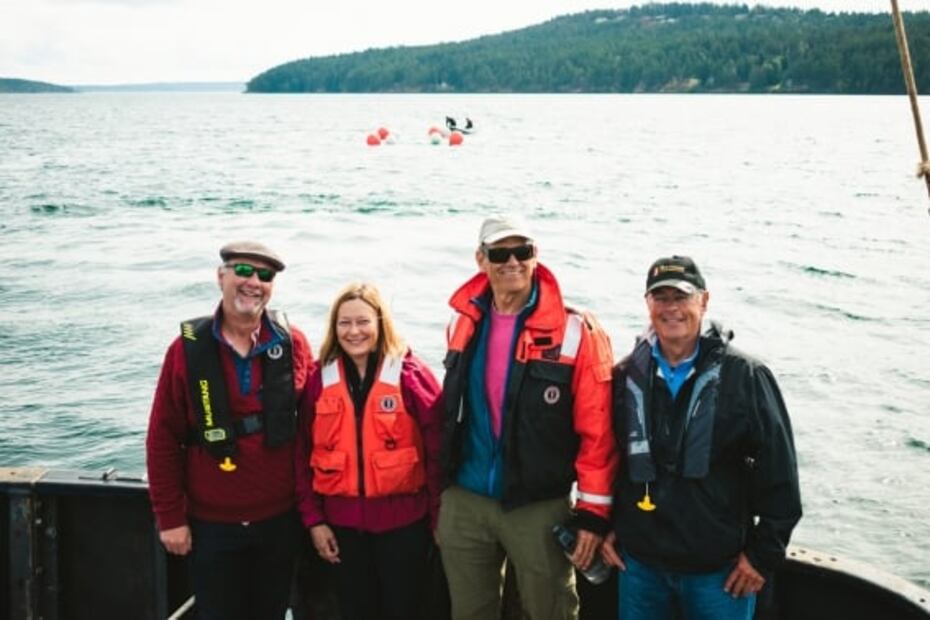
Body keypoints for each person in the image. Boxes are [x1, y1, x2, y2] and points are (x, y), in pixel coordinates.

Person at [602, 255, 802, 620]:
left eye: (682, 296)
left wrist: (761, 556)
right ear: (648, 304)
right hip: (640, 568)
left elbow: (781, 475)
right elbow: (614, 460)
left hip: (719, 574)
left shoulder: (747, 377)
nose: (671, 308)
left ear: (704, 301)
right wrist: (609, 524)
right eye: (660, 297)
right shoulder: (625, 375)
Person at [438, 215, 617, 619]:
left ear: (536, 257)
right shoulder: (462, 320)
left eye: (523, 251)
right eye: (500, 253)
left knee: (551, 610)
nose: (512, 262)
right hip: (465, 499)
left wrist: (593, 515)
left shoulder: (577, 331)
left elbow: (599, 432)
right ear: (481, 260)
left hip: (538, 505)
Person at [146, 241, 314, 620]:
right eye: (242, 271)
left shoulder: (294, 344)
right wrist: (170, 517)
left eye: (264, 275)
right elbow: (163, 438)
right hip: (212, 526)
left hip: (280, 520)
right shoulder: (186, 350)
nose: (253, 282)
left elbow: (317, 424)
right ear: (220, 276)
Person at [296, 282, 443, 620]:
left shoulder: (412, 375)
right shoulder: (319, 380)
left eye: (363, 321)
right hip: (342, 529)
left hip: (404, 527)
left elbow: (439, 453)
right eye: (344, 323)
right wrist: (314, 521)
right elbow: (300, 455)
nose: (354, 331)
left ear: (380, 323)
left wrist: (438, 519)